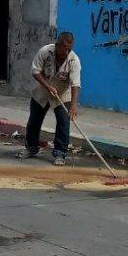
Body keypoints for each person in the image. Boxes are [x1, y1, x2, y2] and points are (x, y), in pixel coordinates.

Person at [17, 32, 81, 165]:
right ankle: (31, 147)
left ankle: (60, 153)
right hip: (42, 90)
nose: (67, 52)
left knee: (63, 122)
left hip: (62, 94)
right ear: (57, 45)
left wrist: (73, 106)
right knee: (34, 119)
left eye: (70, 48)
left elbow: (75, 84)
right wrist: (48, 86)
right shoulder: (45, 52)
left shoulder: (74, 60)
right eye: (64, 48)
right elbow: (35, 71)